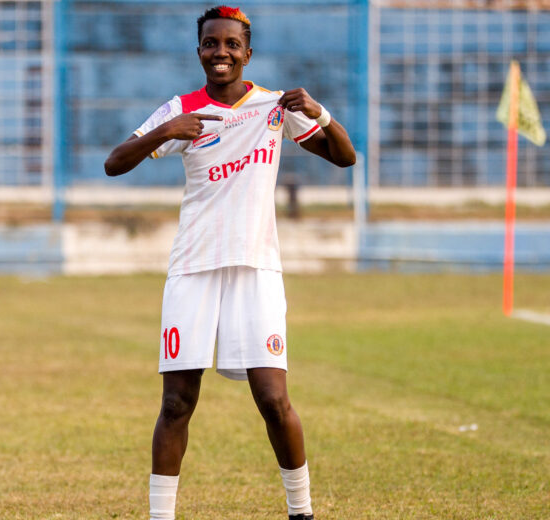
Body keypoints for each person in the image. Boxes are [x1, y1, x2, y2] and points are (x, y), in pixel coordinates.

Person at [104, 5, 355, 519]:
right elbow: (114, 163)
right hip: (193, 269)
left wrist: (320, 112)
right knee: (176, 403)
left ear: (247, 52)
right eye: (210, 44)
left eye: (231, 44)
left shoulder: (274, 107)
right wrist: (166, 131)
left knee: (272, 398)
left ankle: (301, 511)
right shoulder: (182, 108)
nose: (220, 52)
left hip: (256, 269)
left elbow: (345, 157)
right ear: (198, 51)